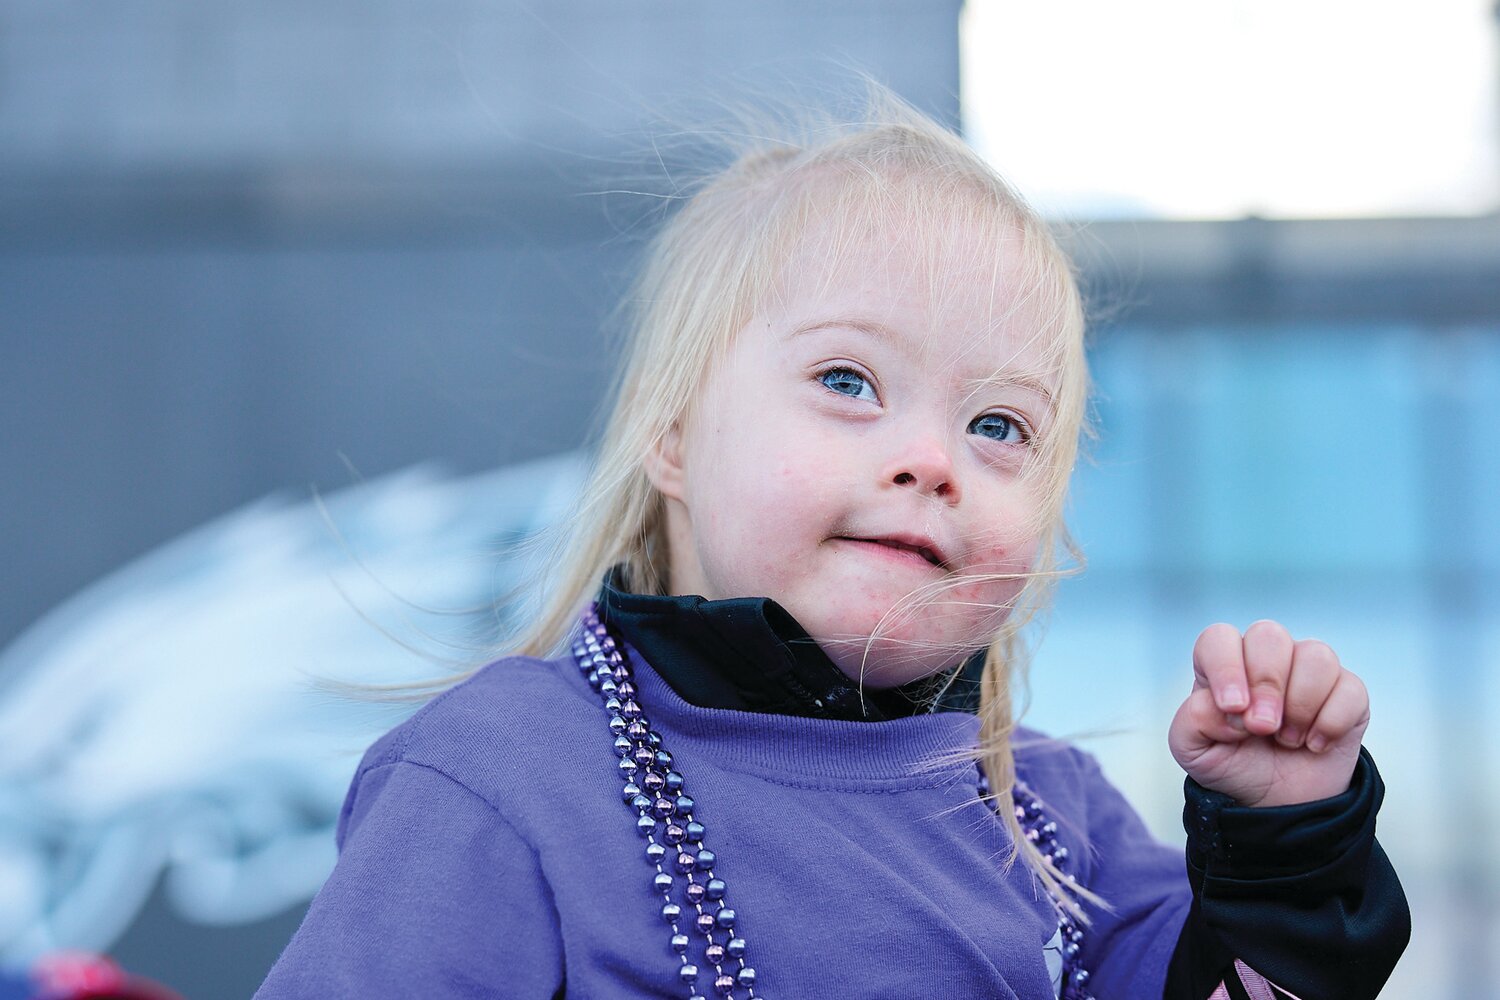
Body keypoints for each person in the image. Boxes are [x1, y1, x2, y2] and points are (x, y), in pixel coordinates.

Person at [254, 91, 1409, 999]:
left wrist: (1286, 836)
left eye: (997, 424)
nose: (931, 458)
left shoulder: (1056, 820)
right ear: (671, 430)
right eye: (848, 380)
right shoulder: (502, 775)